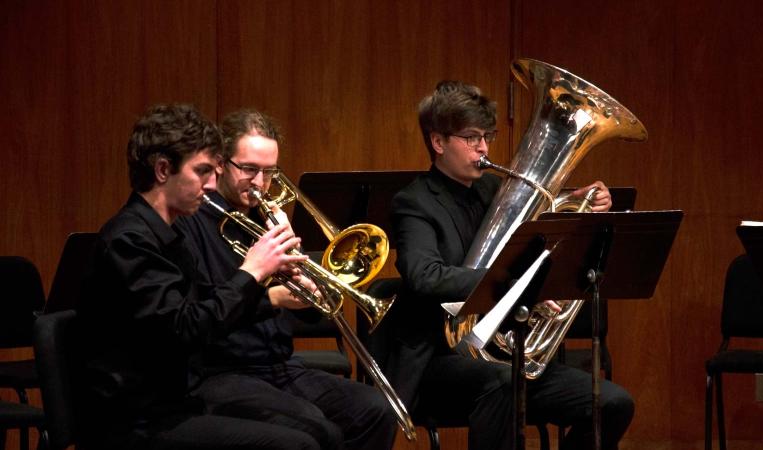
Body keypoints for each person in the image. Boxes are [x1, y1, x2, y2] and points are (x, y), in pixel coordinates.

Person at [384, 81, 634, 450]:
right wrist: (510, 283)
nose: (484, 148)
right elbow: (425, 276)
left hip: (503, 354)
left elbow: (537, 234)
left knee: (612, 404)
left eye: (488, 136)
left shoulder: (494, 191)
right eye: (471, 138)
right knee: (501, 382)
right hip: (437, 361)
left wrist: (579, 202)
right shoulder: (414, 203)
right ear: (438, 143)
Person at [77, 104, 321, 450]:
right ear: (163, 170)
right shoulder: (129, 240)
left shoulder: (167, 234)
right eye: (203, 171)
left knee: (318, 432)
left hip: (176, 403)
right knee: (299, 443)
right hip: (137, 421)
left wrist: (270, 289)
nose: (211, 185)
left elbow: (204, 304)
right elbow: (186, 329)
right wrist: (251, 272)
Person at [174, 109, 397, 450]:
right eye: (249, 169)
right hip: (220, 370)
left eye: (270, 172)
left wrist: (306, 286)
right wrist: (266, 288)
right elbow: (206, 310)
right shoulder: (193, 224)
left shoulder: (267, 220)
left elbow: (306, 311)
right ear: (220, 164)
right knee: (312, 424)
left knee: (374, 409)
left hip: (278, 365)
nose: (261, 183)